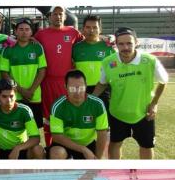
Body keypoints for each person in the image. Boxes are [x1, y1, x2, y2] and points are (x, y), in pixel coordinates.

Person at [93, 27, 168, 159]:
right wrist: (90, 100)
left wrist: (154, 103)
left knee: (146, 145)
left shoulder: (150, 60)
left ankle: (145, 175)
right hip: (117, 112)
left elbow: (163, 81)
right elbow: (102, 83)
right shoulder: (108, 62)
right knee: (115, 143)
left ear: (136, 42)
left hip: (144, 113)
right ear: (116, 44)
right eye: (121, 44)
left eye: (129, 43)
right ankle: (116, 172)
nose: (125, 47)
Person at [49, 69, 109, 160]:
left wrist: (97, 159)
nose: (77, 92)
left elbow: (102, 134)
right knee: (57, 153)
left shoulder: (98, 104)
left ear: (86, 86)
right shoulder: (58, 106)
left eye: (81, 88)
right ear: (65, 87)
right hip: (66, 145)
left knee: (101, 158)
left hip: (88, 144)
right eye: (72, 89)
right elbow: (57, 137)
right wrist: (83, 149)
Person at [1, 18, 47, 128]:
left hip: (34, 96)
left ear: (31, 32)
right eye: (21, 29)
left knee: (35, 128)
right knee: (16, 127)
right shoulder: (8, 50)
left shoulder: (37, 47)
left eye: (27, 29)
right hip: (15, 96)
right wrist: (22, 91)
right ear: (15, 32)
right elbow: (4, 73)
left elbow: (42, 70)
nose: (24, 32)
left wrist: (30, 91)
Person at [0, 79, 45, 160]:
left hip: (20, 150)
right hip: (0, 150)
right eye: (4, 96)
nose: (8, 100)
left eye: (11, 96)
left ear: (15, 95)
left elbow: (36, 138)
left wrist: (18, 148)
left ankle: (35, 172)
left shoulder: (24, 111)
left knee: (38, 150)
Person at [71, 14, 114, 107]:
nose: (91, 30)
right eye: (88, 27)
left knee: (103, 120)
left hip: (104, 89)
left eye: (95, 27)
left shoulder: (109, 47)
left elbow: (115, 67)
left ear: (100, 30)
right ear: (82, 29)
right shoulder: (76, 48)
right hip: (82, 90)